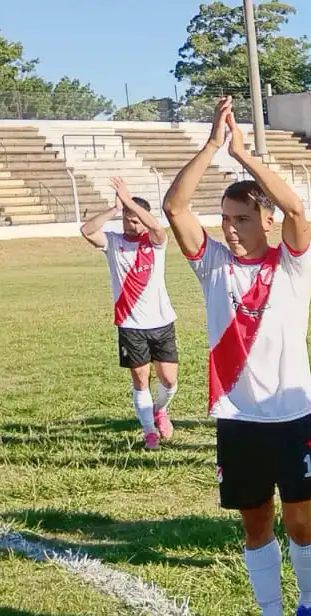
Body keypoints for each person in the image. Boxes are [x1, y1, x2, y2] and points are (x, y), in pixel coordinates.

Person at [161, 97, 311, 616]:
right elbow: (174, 208)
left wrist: (247, 156)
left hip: (293, 413)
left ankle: (309, 606)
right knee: (256, 524)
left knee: (299, 521)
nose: (231, 230)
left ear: (266, 221)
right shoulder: (212, 265)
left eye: (244, 219)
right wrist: (211, 147)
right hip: (237, 417)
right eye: (226, 220)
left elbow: (298, 210)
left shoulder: (291, 262)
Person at [80, 176, 179, 450]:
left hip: (162, 322)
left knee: (169, 380)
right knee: (140, 378)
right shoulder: (112, 242)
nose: (130, 223)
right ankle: (149, 431)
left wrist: (130, 203)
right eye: (126, 217)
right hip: (130, 324)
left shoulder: (156, 243)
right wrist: (115, 208)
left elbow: (158, 227)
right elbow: (87, 230)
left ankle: (160, 410)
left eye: (135, 218)